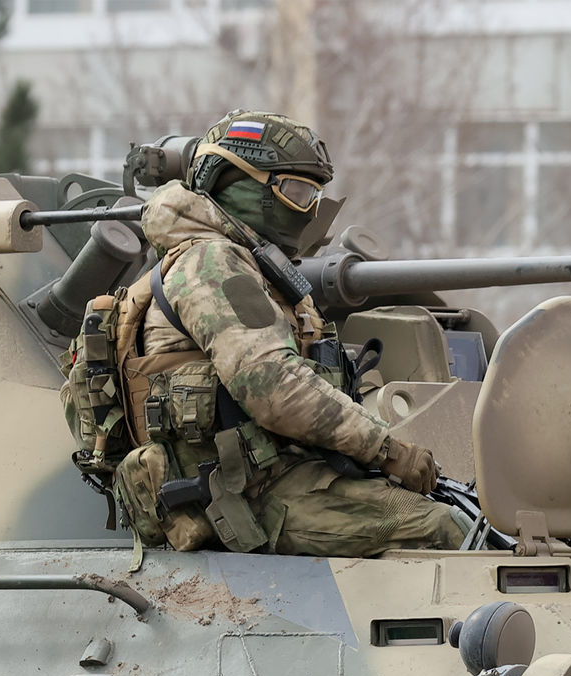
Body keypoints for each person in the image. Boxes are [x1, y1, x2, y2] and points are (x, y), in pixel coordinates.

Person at [132, 109, 467, 556]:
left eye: (313, 193)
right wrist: (387, 451)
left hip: (287, 478)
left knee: (468, 513)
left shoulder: (258, 269)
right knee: (445, 527)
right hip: (244, 497)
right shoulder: (210, 264)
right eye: (294, 190)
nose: (307, 208)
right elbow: (271, 386)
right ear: (233, 183)